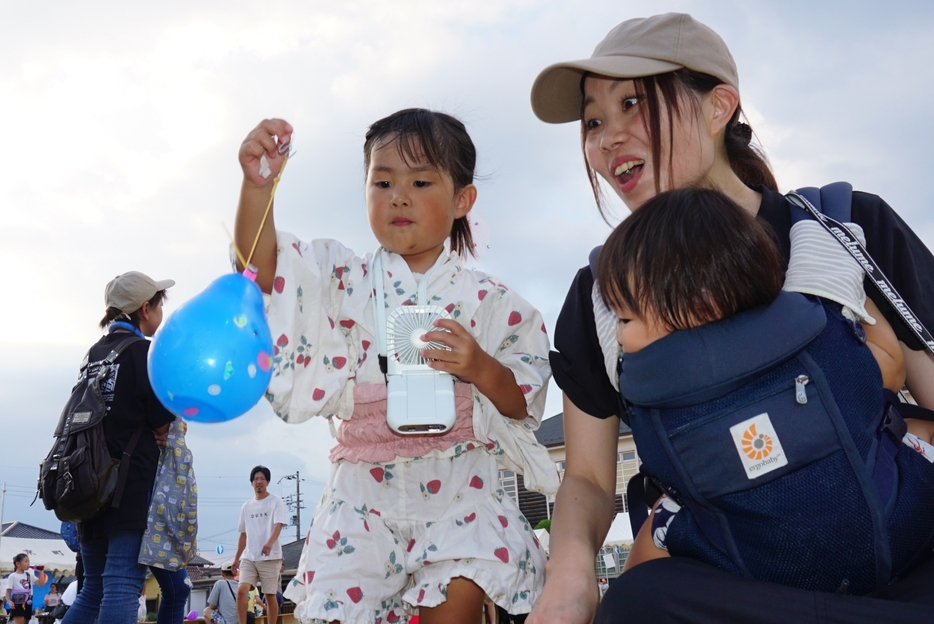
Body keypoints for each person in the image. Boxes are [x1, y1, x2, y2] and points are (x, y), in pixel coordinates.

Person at [527, 12, 934, 624]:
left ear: (719, 107)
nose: (606, 138)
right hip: (737, 590)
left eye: (632, 103)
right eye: (592, 122)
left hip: (906, 564)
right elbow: (585, 476)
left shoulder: (845, 230)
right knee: (639, 602)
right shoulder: (601, 299)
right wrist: (568, 579)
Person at [233, 109, 556, 624]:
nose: (399, 195)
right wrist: (257, 189)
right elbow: (265, 270)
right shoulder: (343, 280)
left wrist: (480, 367)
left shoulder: (491, 302)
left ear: (462, 200)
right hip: (361, 490)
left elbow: (523, 402)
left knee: (455, 607)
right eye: (382, 181)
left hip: (459, 486)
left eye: (421, 180)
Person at [594, 186, 934, 585]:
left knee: (661, 522)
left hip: (756, 572)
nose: (618, 336)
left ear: (699, 306)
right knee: (911, 429)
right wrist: (839, 304)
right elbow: (890, 368)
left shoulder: (650, 399)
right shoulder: (816, 345)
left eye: (624, 320)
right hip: (893, 535)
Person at [62, 271, 176, 624]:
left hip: (87, 482)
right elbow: (161, 422)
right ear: (145, 309)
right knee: (123, 585)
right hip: (126, 483)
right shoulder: (142, 352)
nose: (161, 314)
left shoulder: (93, 355)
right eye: (159, 305)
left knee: (93, 588)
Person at [142, 417, 197, 624]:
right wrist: (173, 429)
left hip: (152, 497)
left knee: (98, 590)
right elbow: (165, 426)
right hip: (147, 498)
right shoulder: (153, 389)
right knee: (118, 588)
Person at [231, 466, 287, 624]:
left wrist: (269, 543)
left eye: (262, 479)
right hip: (249, 556)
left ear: (267, 482)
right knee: (242, 591)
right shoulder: (246, 506)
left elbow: (279, 524)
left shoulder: (276, 501)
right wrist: (236, 559)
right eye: (256, 479)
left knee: (270, 595)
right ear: (251, 483)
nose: (259, 482)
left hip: (271, 557)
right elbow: (243, 534)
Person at [5, 554, 48, 624]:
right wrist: (9, 601)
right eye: (26, 561)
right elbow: (8, 591)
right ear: (18, 564)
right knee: (20, 621)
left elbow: (41, 584)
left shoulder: (29, 575)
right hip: (17, 602)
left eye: (29, 562)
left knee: (26, 621)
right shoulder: (12, 576)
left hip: (28, 601)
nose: (28, 564)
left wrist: (41, 572)